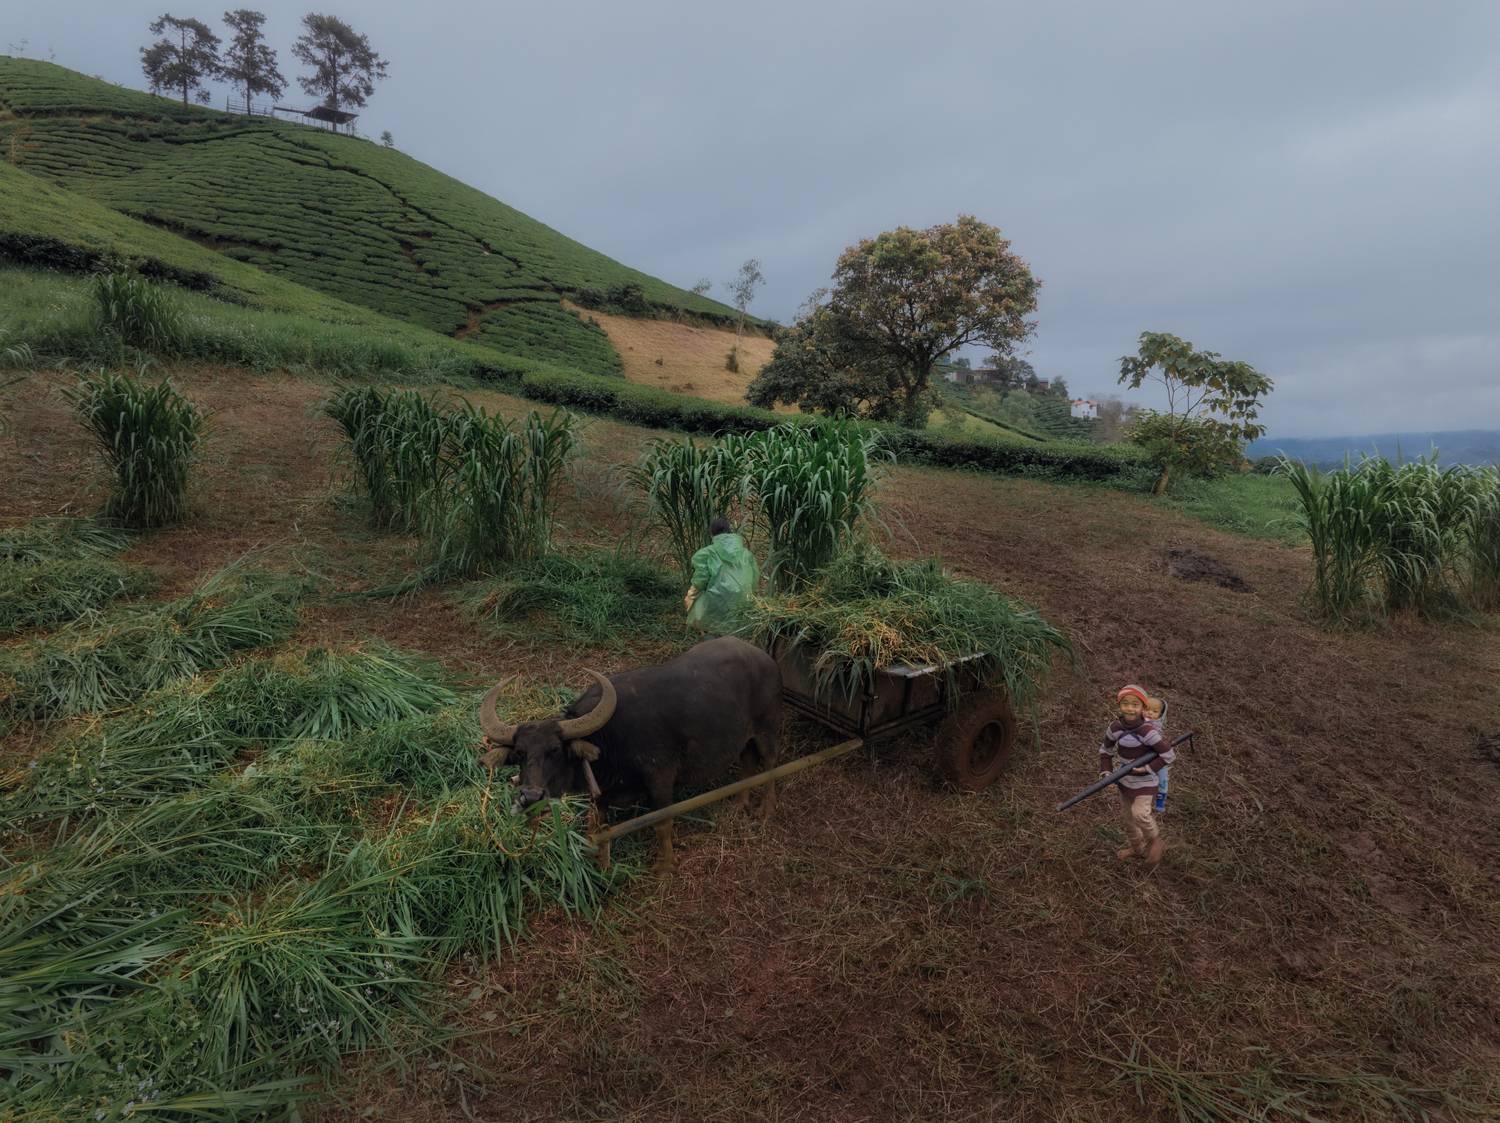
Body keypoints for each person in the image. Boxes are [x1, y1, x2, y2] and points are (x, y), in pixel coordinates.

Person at [1098, 685, 1174, 866]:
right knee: (1129, 821)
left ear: (1142, 708)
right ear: (1119, 705)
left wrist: (1147, 768)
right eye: (1125, 704)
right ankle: (1137, 849)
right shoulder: (1115, 727)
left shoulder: (1148, 732)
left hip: (1146, 781)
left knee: (1139, 813)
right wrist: (1106, 772)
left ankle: (1155, 840)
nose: (1130, 708)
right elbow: (1105, 750)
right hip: (1125, 781)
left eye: (1135, 704)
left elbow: (1168, 755)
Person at [684, 517, 759, 635]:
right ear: (729, 531)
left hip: (716, 598)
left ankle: (710, 636)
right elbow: (754, 578)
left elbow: (700, 580)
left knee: (700, 601)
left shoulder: (707, 553)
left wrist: (690, 595)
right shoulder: (746, 554)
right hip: (743, 600)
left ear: (712, 533)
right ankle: (736, 636)